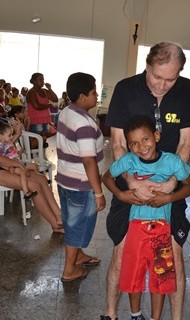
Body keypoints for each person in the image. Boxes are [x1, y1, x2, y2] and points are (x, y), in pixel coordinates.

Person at [100, 42, 190, 320]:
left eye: (170, 79)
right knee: (122, 254)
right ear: (147, 66)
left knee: (174, 260)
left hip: (170, 183)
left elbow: (186, 142)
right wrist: (132, 182)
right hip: (131, 183)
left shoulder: (188, 90)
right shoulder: (125, 89)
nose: (162, 85)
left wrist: (171, 184)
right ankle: (111, 314)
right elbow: (119, 144)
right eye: (157, 77)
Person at [103, 115, 190, 320]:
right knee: (133, 274)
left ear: (156, 135)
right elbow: (107, 177)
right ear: (128, 145)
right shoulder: (128, 160)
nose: (141, 147)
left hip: (162, 230)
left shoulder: (172, 161)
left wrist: (169, 198)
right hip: (135, 229)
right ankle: (135, 316)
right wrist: (121, 194)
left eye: (145, 139)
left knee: (160, 278)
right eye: (133, 143)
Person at [56, 72, 106, 283]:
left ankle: (79, 256)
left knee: (70, 221)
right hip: (81, 185)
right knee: (78, 226)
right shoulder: (83, 123)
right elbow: (88, 161)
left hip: (66, 180)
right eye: (94, 92)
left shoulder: (67, 111)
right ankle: (69, 269)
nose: (97, 96)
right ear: (82, 95)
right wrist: (98, 192)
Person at [0, 118, 63, 233]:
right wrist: (19, 165)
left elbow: (8, 150)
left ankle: (59, 215)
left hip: (10, 166)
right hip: (3, 170)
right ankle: (55, 225)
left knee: (42, 179)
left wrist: (17, 134)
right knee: (34, 186)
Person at [0, 121, 38, 200]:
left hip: (17, 163)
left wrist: (18, 132)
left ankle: (35, 181)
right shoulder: (1, 146)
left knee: (33, 166)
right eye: (9, 135)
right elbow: (3, 160)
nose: (11, 137)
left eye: (12, 135)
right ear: (1, 136)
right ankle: (26, 192)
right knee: (23, 173)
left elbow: (15, 139)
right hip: (11, 166)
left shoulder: (8, 142)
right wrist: (10, 166)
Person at [26, 73, 58, 138]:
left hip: (45, 118)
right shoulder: (31, 92)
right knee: (38, 139)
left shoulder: (45, 91)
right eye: (40, 79)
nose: (43, 81)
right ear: (34, 81)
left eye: (43, 79)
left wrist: (50, 89)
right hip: (36, 119)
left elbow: (55, 99)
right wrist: (48, 106)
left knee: (43, 138)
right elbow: (36, 106)